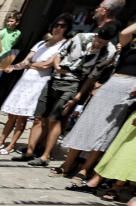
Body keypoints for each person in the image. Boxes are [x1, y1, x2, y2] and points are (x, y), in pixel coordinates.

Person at [14, 18, 118, 166]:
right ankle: (29, 152)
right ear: (96, 35)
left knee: (54, 119)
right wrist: (56, 67)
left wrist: (79, 95)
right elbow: (59, 54)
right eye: (98, 41)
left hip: (73, 83)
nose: (99, 45)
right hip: (56, 78)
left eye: (103, 43)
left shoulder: (109, 51)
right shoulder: (80, 37)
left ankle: (45, 156)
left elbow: (91, 77)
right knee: (39, 117)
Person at [56, 22, 134, 180]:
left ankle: (85, 169)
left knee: (105, 130)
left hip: (129, 91)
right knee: (86, 123)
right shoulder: (129, 46)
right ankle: (68, 163)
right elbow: (125, 32)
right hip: (113, 84)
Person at [0, 18, 67, 156]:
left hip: (39, 81)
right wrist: (12, 67)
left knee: (22, 117)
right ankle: (1, 142)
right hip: (26, 79)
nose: (57, 28)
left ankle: (11, 145)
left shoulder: (62, 45)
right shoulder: (41, 43)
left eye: (61, 26)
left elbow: (46, 65)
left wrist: (30, 64)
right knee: (12, 115)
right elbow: (25, 61)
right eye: (55, 25)